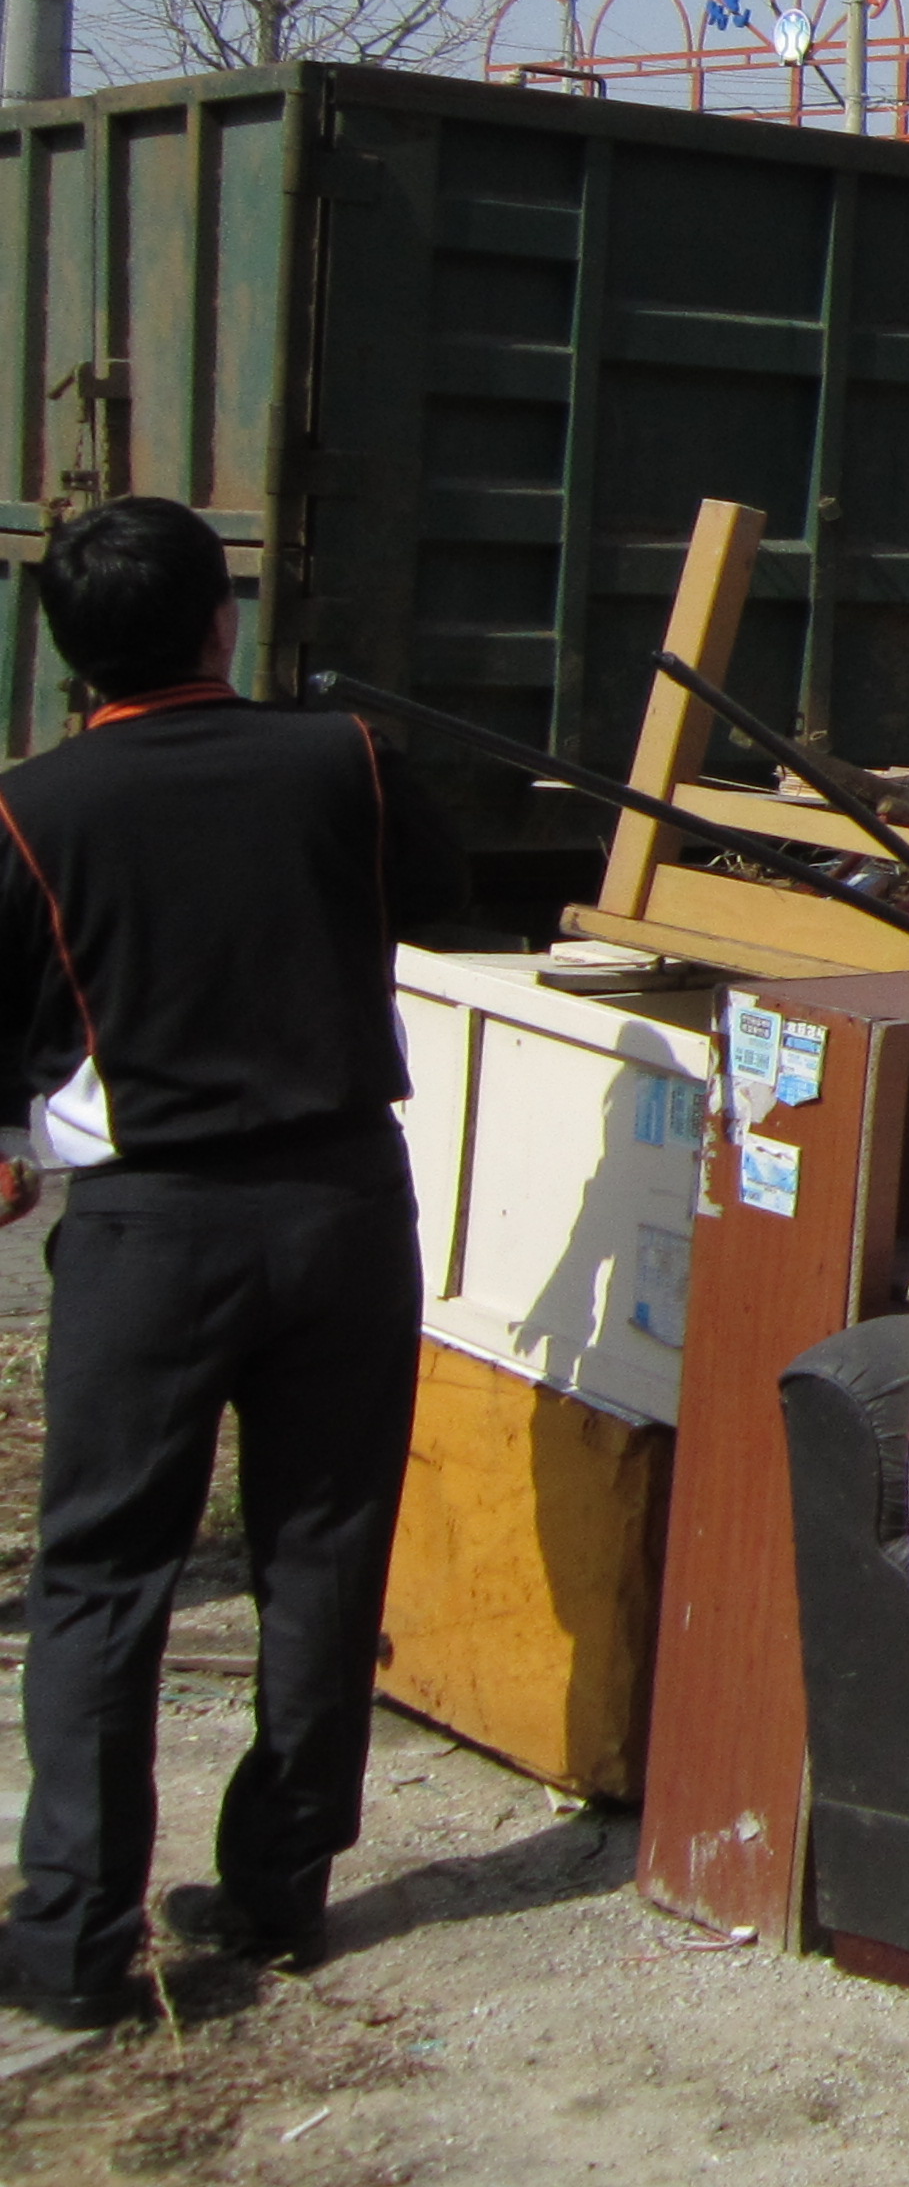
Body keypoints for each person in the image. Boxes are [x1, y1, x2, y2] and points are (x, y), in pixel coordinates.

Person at [1, 500, 466, 2032]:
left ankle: (75, 1942)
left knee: (101, 1576)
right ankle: (278, 1891)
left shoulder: (31, 809)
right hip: (344, 1202)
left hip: (151, 1229)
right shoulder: (344, 762)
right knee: (322, 1545)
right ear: (223, 620)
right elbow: (442, 896)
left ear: (69, 655)